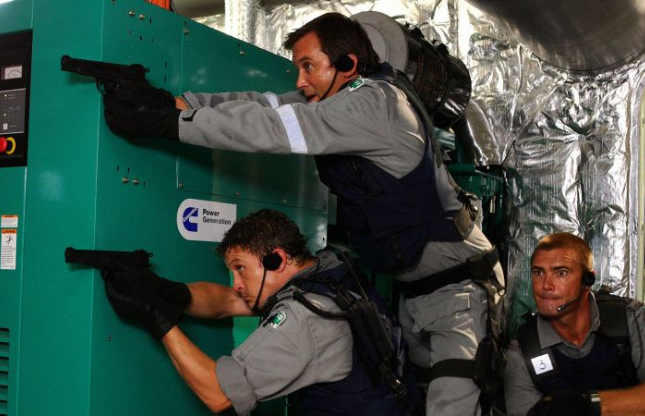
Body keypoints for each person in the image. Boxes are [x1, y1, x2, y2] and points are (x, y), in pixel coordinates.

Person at [101, 12, 505, 415]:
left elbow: (276, 129)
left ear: (347, 64)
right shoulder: (337, 98)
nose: (299, 80)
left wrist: (172, 124)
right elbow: (264, 106)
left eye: (308, 66)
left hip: (459, 287)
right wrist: (175, 104)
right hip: (416, 293)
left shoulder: (375, 103)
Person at [103, 208, 422, 415]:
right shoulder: (330, 269)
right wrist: (164, 291)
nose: (237, 284)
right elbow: (227, 303)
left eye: (240, 269)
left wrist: (156, 318)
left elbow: (219, 394)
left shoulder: (304, 317)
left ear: (276, 259)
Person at [503, 232, 645, 416]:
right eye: (538, 273)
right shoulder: (524, 350)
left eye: (561, 273)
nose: (546, 285)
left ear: (587, 280)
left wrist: (589, 405)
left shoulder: (629, 318)